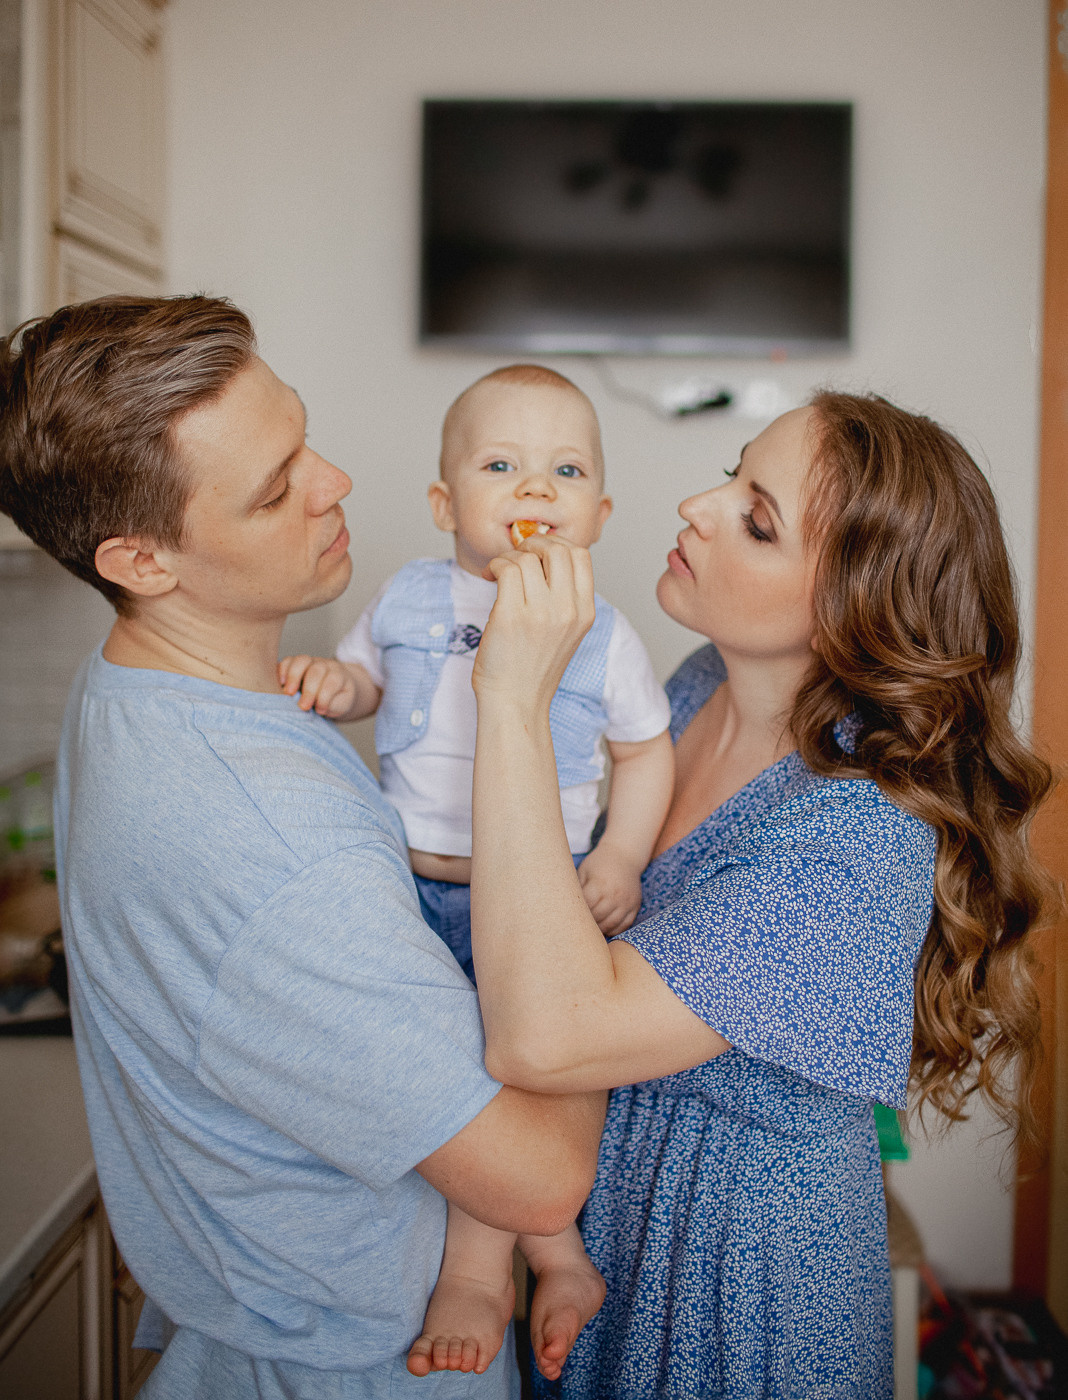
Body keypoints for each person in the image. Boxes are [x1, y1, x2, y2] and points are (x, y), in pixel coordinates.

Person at [0, 294, 607, 1400]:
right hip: (369, 1366)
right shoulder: (274, 847)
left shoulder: (135, 682)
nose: (335, 483)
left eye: (304, 438)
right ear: (140, 557)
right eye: (278, 487)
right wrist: (515, 709)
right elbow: (541, 1172)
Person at [465, 394, 1052, 1398]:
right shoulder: (694, 685)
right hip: (615, 1209)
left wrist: (514, 697)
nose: (697, 504)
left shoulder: (858, 835)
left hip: (739, 1275)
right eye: (732, 473)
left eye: (757, 517)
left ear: (850, 608)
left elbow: (545, 1034)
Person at [279, 364, 673, 1381]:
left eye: (566, 469)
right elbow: (368, 678)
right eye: (504, 465)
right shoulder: (411, 595)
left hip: (538, 902)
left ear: (599, 509)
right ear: (447, 503)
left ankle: (481, 1273)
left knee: (517, 1074)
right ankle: (557, 1250)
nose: (536, 489)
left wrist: (621, 854)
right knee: (456, 1083)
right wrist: (339, 682)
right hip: (411, 887)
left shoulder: (604, 628)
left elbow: (645, 748)